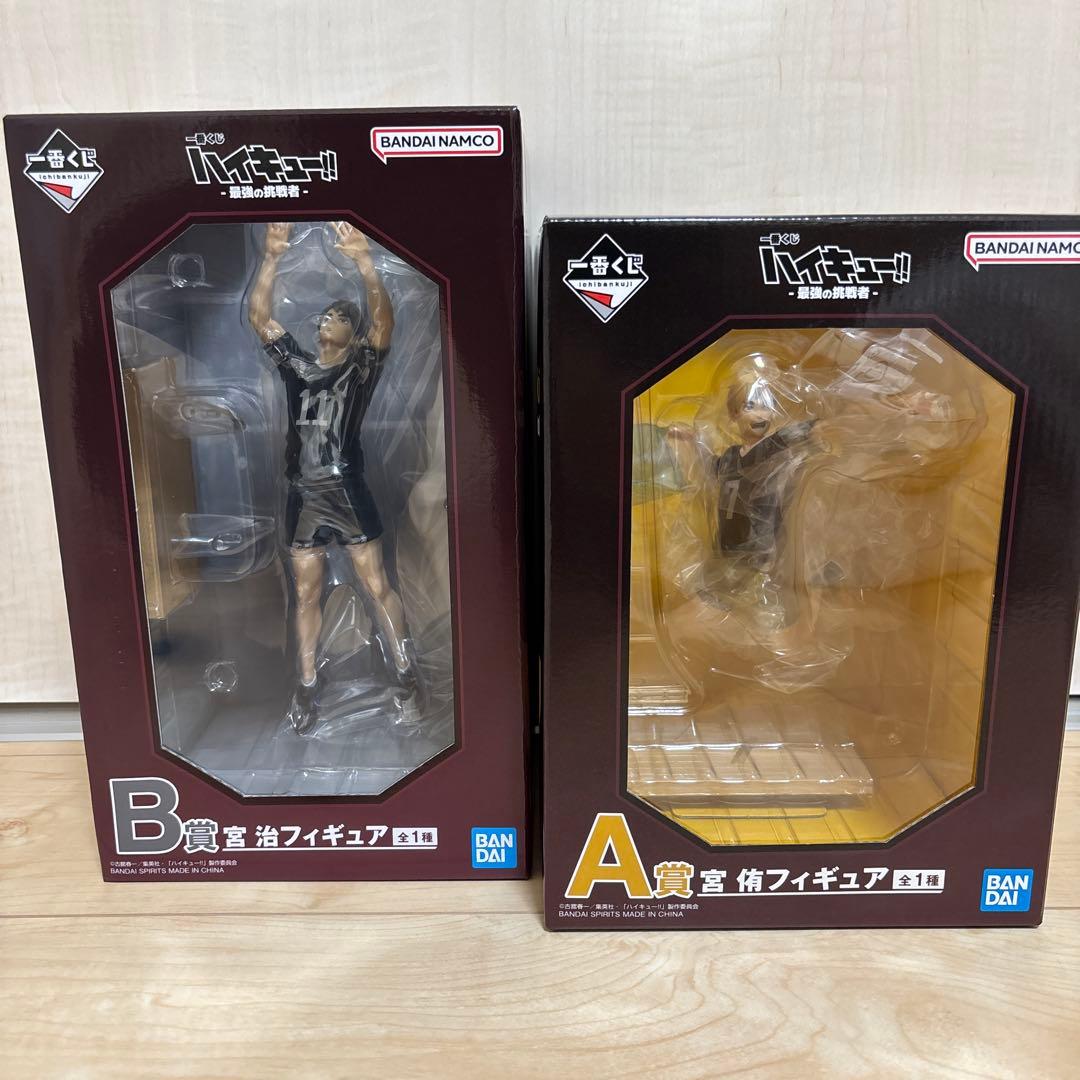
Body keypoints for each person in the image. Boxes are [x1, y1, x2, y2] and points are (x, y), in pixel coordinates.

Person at [247, 221, 418, 734]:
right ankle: (306, 685)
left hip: (347, 490)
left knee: (376, 584)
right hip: (304, 496)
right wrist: (272, 257)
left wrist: (365, 263)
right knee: (305, 593)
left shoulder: (359, 368)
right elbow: (259, 318)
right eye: (326, 315)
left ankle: (406, 675)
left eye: (341, 317)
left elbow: (384, 323)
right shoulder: (296, 368)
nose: (328, 319)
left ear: (352, 333)